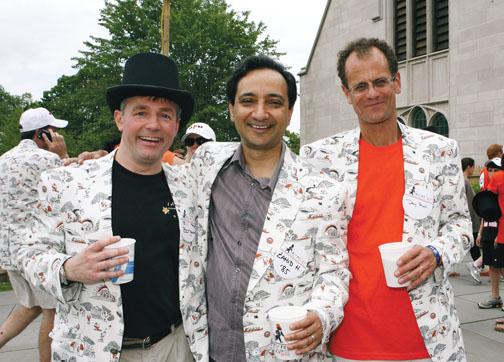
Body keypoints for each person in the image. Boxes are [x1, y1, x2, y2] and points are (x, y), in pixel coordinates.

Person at [15, 53, 196, 361]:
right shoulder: (65, 184)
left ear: (176, 125)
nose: (153, 125)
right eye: (141, 112)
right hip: (93, 349)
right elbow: (27, 254)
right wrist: (69, 268)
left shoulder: (191, 186)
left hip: (175, 346)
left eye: (165, 115)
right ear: (119, 118)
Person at [300, 38, 472, 362]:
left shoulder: (440, 151)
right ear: (346, 93)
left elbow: (461, 225)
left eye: (380, 81)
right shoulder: (319, 158)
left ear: (397, 82)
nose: (372, 93)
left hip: (427, 340)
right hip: (349, 342)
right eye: (360, 86)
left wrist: (436, 252)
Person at [183, 55, 350, 361]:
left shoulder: (324, 191)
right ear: (232, 109)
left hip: (284, 352)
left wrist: (322, 314)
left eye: (273, 102)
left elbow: (334, 272)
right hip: (211, 349)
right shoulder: (206, 163)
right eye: (248, 101)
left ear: (288, 112)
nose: (260, 113)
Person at [0, 107, 68, 361]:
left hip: (8, 252)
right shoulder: (48, 160)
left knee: (31, 307)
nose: (58, 134)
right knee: (53, 313)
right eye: (54, 131)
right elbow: (69, 187)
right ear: (43, 134)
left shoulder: (3, 159)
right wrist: (62, 155)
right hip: (35, 251)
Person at [477, 157, 504, 310]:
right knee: (493, 265)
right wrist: (480, 233)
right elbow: (485, 213)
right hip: (489, 229)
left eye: (496, 170)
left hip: (499, 229)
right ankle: (495, 297)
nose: (493, 173)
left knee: (501, 265)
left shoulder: (499, 186)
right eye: (490, 170)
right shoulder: (490, 189)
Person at [462, 157, 482, 283]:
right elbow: (469, 202)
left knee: (472, 243)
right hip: (470, 217)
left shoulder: (463, 181)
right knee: (473, 242)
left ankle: (478, 264)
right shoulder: (465, 182)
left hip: (469, 217)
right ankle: (477, 264)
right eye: (473, 167)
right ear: (469, 167)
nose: (473, 169)